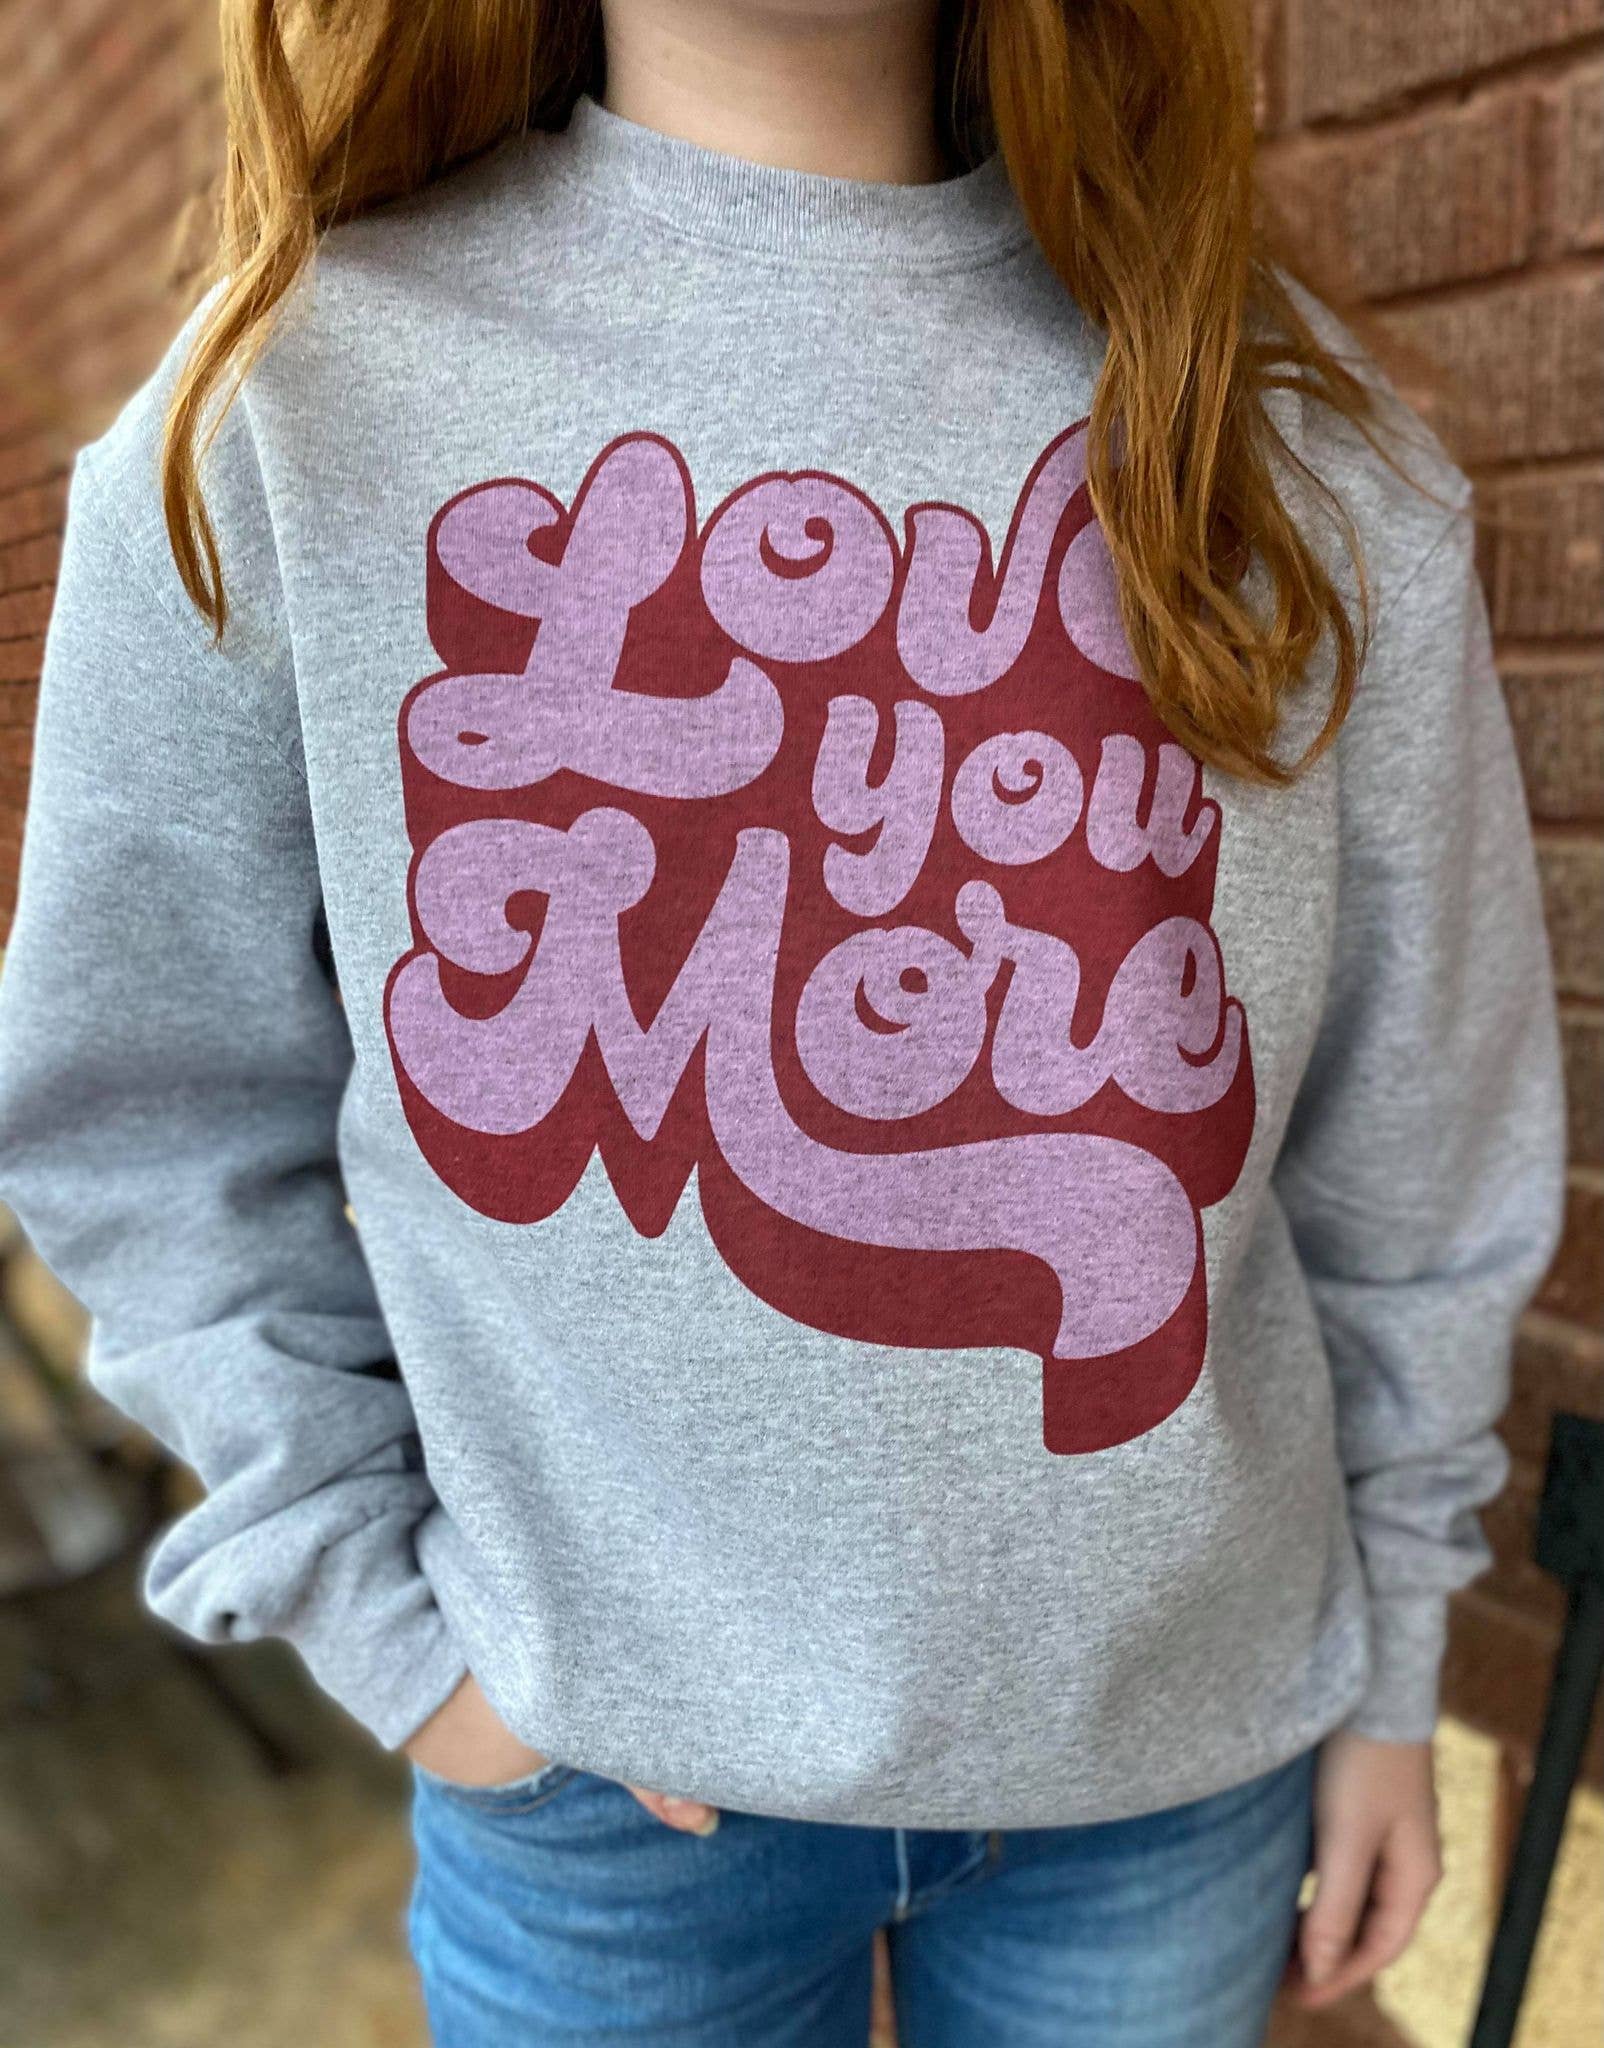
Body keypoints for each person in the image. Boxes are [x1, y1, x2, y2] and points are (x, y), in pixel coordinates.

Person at [0, 0, 1566, 2042]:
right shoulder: (290, 412)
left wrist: (1388, 1673)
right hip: (598, 1801)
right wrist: (398, 1634)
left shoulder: (1282, 436)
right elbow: (148, 1118)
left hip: (1177, 1761)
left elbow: (1418, 1135)